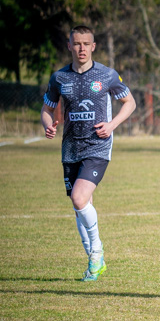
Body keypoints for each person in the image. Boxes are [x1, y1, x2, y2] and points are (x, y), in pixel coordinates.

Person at [41, 25, 137, 281]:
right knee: (81, 205)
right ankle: (94, 262)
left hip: (98, 145)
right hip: (71, 147)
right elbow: (46, 109)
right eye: (77, 43)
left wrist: (112, 125)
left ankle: (97, 253)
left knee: (78, 197)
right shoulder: (59, 78)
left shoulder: (106, 75)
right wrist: (47, 124)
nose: (81, 48)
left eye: (86, 44)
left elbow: (130, 102)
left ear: (93, 46)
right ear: (69, 46)